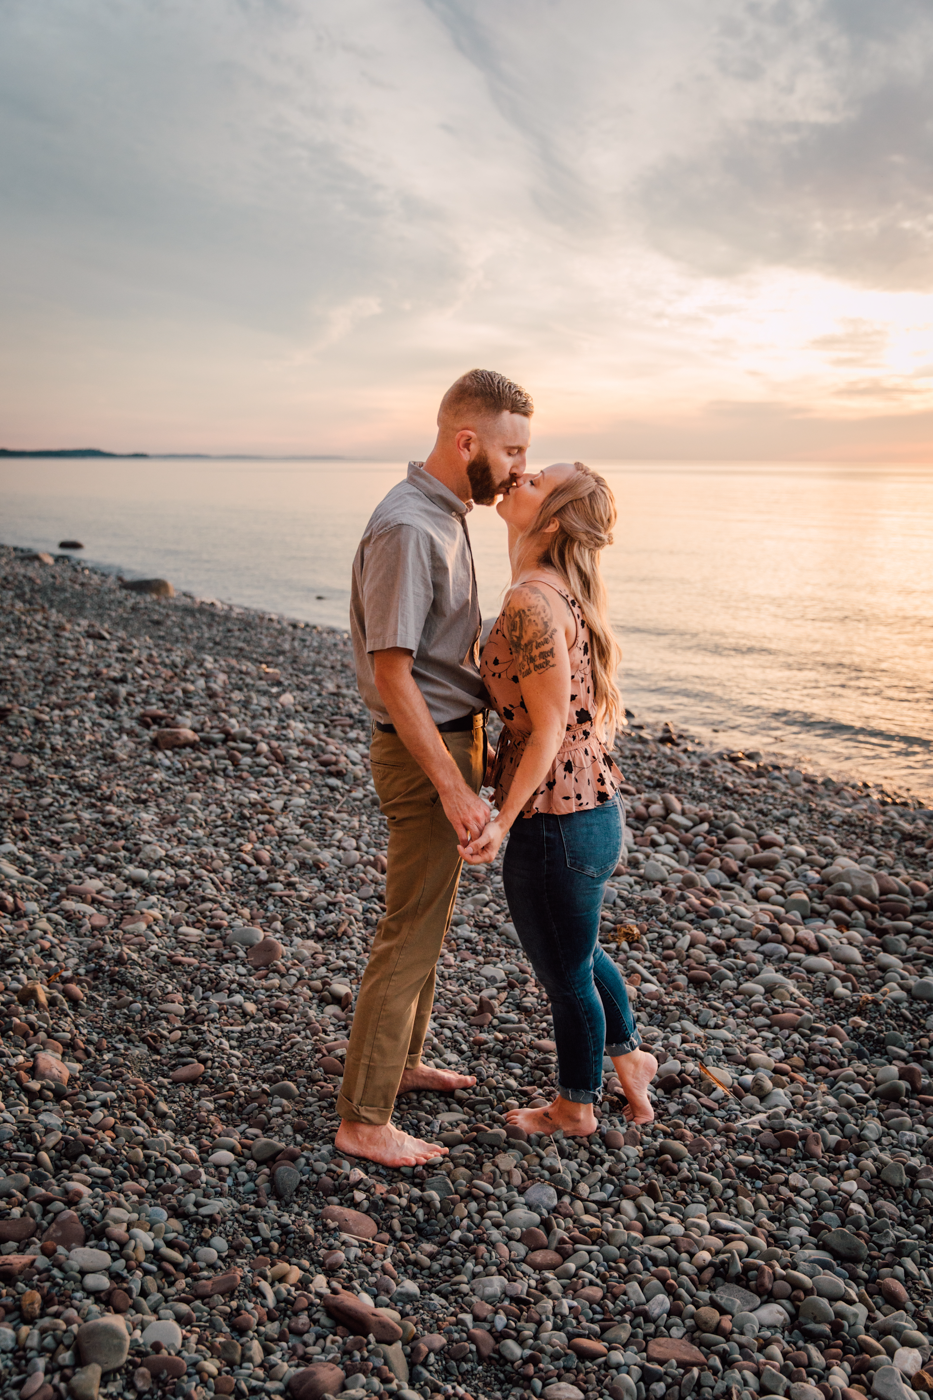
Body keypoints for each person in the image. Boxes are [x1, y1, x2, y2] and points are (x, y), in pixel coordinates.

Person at [336, 369, 534, 1167]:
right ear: (466, 442)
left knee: (429, 916)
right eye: (511, 449)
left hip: (455, 738)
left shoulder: (447, 513)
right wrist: (453, 785)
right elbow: (393, 675)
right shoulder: (410, 528)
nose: (521, 466)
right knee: (408, 928)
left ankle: (401, 1061)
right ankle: (363, 1117)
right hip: (425, 753)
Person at [459, 461, 657, 1135]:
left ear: (548, 522)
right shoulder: (550, 590)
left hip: (558, 824)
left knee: (564, 973)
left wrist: (499, 817)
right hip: (589, 815)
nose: (519, 475)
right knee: (578, 951)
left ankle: (575, 1106)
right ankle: (630, 1061)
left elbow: (545, 731)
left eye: (536, 481)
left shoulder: (529, 602)